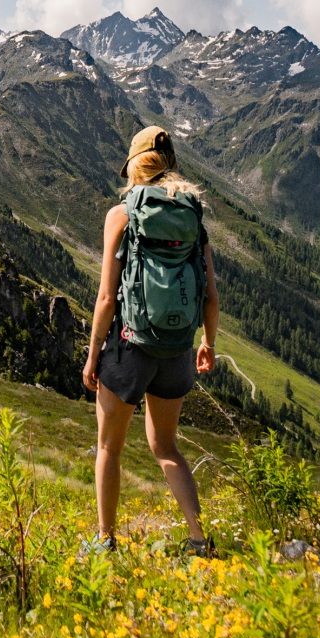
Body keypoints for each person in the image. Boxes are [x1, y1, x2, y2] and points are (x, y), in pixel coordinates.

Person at [81, 125, 218, 556]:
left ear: (135, 167)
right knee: (166, 447)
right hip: (177, 348)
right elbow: (211, 295)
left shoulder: (121, 214)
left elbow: (106, 296)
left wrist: (92, 356)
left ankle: (104, 541)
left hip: (129, 346)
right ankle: (200, 540)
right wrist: (208, 343)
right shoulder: (193, 213)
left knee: (108, 447)